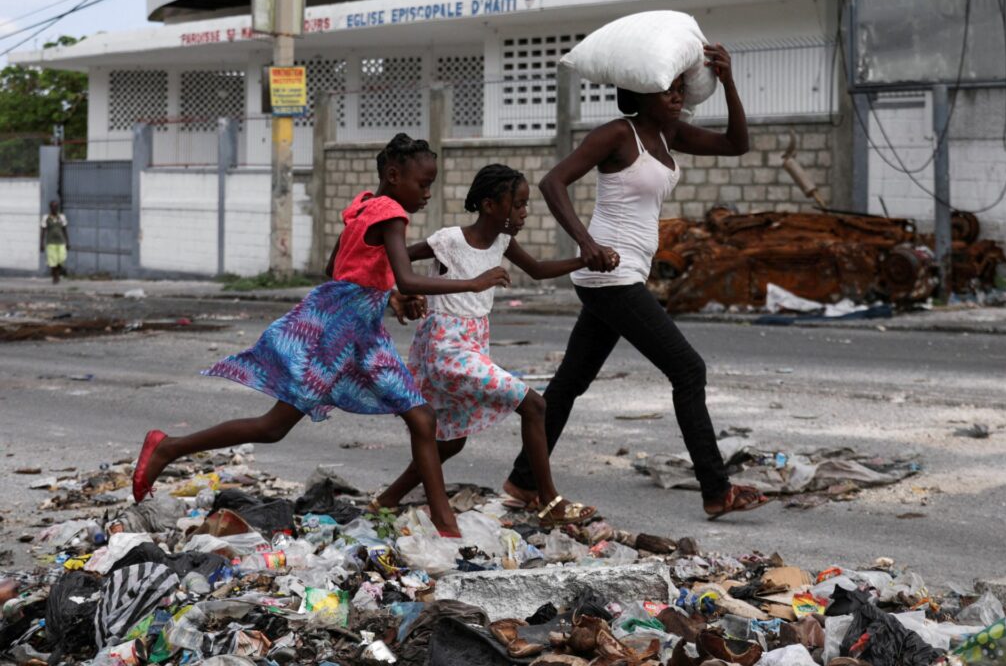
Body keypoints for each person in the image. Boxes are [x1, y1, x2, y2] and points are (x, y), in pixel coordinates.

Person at [131, 134, 510, 538]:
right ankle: (167, 447)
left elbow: (339, 268)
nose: (427, 193)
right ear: (394, 175)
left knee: (414, 417)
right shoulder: (390, 212)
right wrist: (471, 283)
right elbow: (405, 274)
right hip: (339, 336)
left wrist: (389, 299)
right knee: (289, 426)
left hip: (351, 330)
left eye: (430, 184)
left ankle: (444, 524)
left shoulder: (363, 206)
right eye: (422, 183)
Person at [503, 44, 769, 520]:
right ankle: (716, 490)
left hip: (620, 275)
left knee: (569, 383)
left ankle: (523, 482)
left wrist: (728, 81)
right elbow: (552, 182)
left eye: (679, 87)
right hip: (610, 274)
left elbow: (737, 144)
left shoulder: (670, 135)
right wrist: (584, 242)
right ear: (639, 94)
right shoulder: (616, 134)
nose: (675, 94)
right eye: (664, 88)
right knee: (689, 370)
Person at [370, 164, 606, 528]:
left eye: (525, 205)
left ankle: (386, 499)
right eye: (518, 205)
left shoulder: (502, 242)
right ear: (490, 205)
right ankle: (549, 501)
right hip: (444, 348)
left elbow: (539, 269)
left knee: (450, 442)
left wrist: (585, 259)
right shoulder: (448, 240)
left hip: (473, 345)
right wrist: (400, 292)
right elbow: (393, 258)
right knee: (534, 404)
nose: (524, 213)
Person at [40, 200, 69, 284]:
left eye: (56, 206)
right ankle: (55, 277)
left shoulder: (61, 217)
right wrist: (41, 244)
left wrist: (67, 242)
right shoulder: (46, 218)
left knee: (61, 259)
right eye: (53, 206)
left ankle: (57, 273)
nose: (55, 208)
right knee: (53, 261)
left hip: (61, 242)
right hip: (51, 242)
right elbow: (43, 231)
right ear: (50, 208)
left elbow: (65, 230)